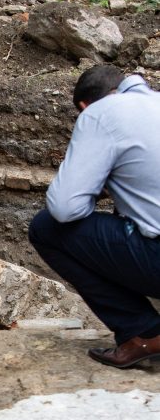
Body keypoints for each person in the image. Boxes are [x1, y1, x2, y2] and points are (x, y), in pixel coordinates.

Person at [29, 65, 160, 368]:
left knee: (46, 229)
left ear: (84, 106)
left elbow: (65, 208)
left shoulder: (100, 114)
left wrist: (97, 189)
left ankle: (143, 332)